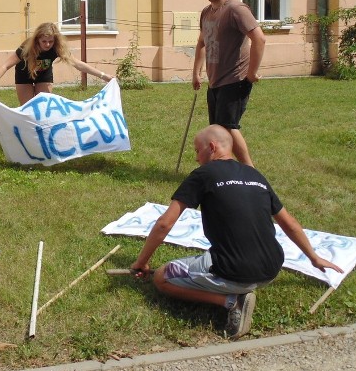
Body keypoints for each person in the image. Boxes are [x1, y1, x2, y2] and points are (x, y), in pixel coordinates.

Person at [130, 125, 342, 340]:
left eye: (196, 151)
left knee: (161, 277)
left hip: (234, 271)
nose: (196, 158)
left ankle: (232, 301)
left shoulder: (203, 174)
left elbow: (165, 224)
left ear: (211, 147)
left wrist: (141, 262)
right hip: (271, 268)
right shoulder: (254, 174)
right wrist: (314, 258)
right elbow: (290, 223)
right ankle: (236, 289)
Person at [191, 0, 266, 167]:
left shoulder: (236, 9)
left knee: (228, 127)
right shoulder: (207, 12)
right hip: (215, 81)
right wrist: (196, 72)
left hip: (235, 79)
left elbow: (259, 39)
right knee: (217, 129)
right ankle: (222, 169)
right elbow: (201, 42)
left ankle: (250, 171)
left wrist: (251, 74)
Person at [0, 22, 113, 105]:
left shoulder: (57, 48)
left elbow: (78, 64)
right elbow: (5, 65)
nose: (47, 44)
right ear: (37, 39)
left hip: (44, 76)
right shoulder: (26, 49)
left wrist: (103, 75)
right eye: (44, 41)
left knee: (44, 106)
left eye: (50, 41)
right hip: (24, 75)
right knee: (28, 109)